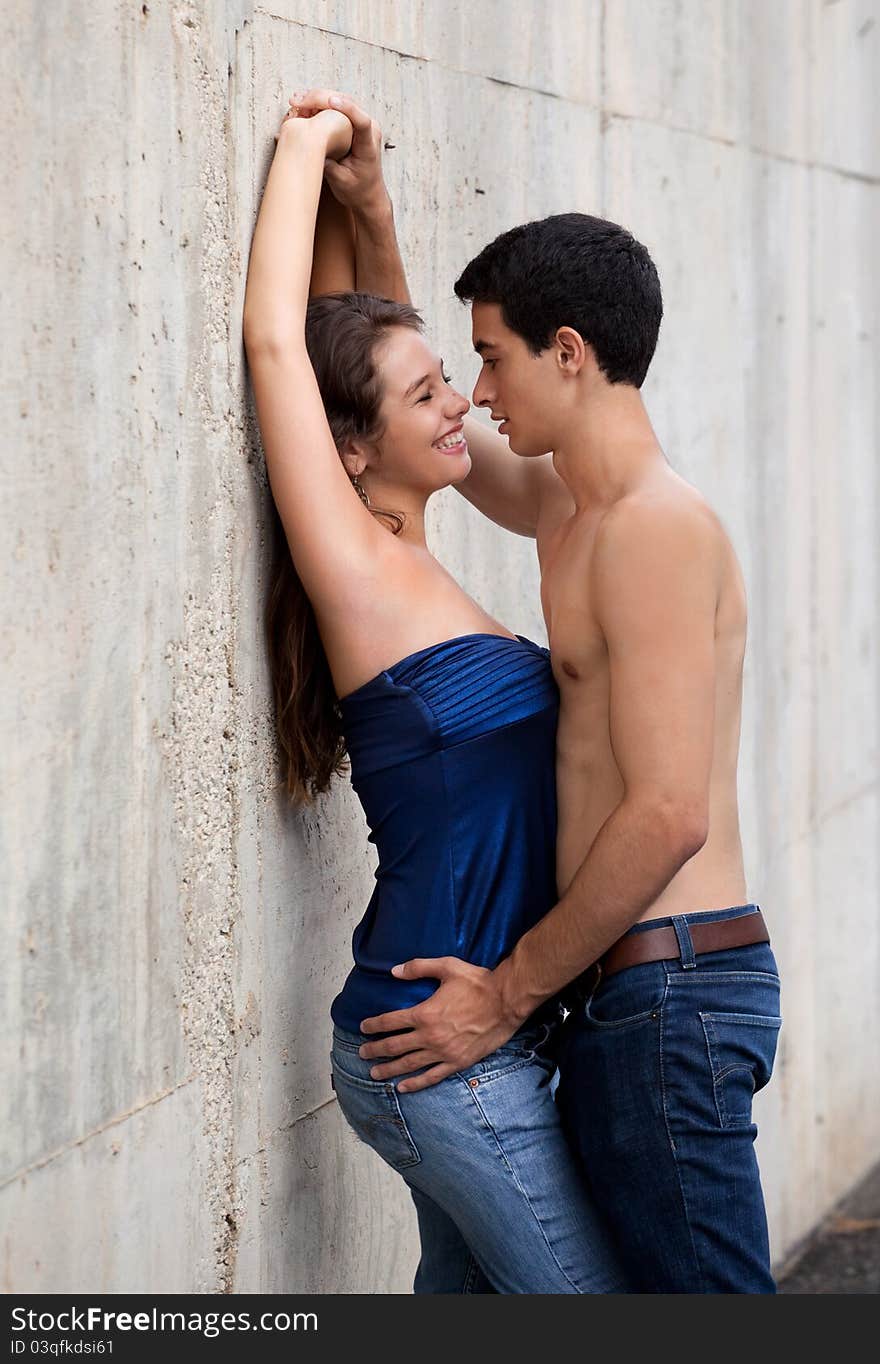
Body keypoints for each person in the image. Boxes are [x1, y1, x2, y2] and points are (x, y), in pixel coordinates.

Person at [290, 91, 784, 1294]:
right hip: (619, 994)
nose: (477, 387)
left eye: (496, 355)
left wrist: (501, 998)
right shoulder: (573, 510)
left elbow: (668, 813)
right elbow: (426, 428)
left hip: (668, 989)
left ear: (568, 351)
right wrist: (372, 212)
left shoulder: (657, 532)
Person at [243, 96, 627, 1293]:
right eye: (425, 400)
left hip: (485, 1037)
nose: (458, 399)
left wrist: (371, 203)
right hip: (438, 1051)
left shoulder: (420, 556)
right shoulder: (355, 573)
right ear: (349, 449)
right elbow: (280, 352)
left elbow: (354, 343)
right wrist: (305, 146)